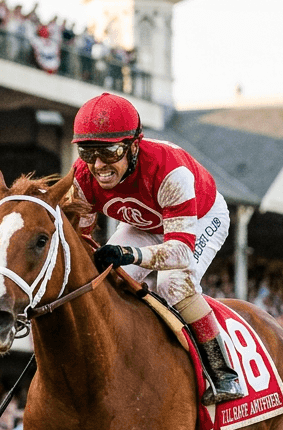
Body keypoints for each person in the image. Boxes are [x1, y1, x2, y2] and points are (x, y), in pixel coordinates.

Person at [70, 93, 244, 404]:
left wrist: (130, 255)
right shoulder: (82, 176)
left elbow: (180, 251)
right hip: (147, 223)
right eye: (87, 151)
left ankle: (223, 372)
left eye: (109, 151)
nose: (99, 165)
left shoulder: (168, 170)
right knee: (106, 280)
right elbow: (79, 238)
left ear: (134, 146)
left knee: (172, 283)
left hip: (201, 218)